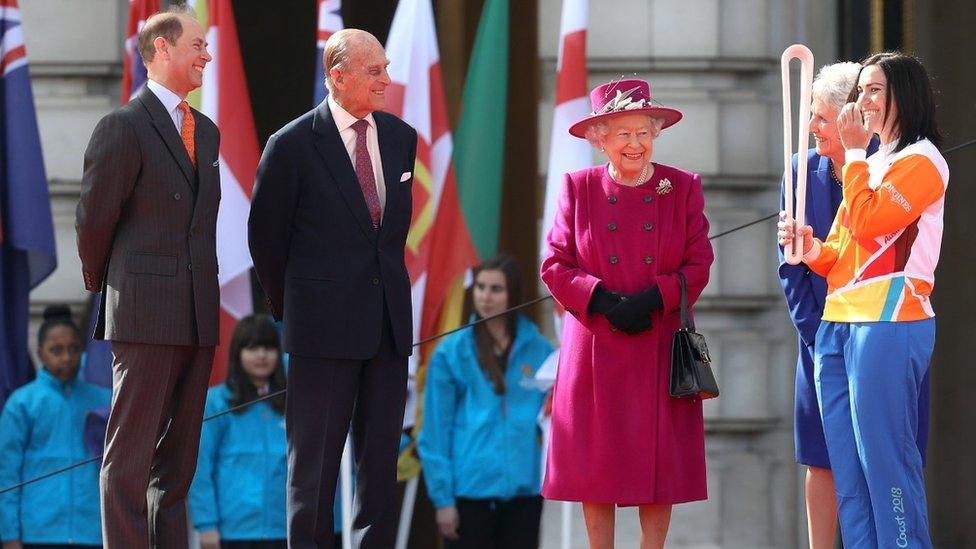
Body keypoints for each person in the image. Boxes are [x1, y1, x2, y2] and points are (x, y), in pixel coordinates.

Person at [247, 28, 417, 548]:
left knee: (379, 470)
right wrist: (297, 308)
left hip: (387, 329)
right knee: (314, 472)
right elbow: (265, 240)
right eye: (375, 71)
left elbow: (387, 238)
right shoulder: (292, 144)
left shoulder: (400, 137)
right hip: (321, 332)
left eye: (386, 68)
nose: (387, 80)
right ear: (337, 77)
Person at [778, 52, 946, 549]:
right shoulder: (869, 163)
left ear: (905, 96)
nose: (863, 101)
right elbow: (845, 252)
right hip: (840, 324)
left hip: (890, 320)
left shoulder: (923, 161)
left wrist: (852, 156)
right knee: (848, 474)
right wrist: (810, 249)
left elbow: (873, 222)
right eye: (862, 90)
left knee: (885, 462)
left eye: (874, 90)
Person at [541, 78, 714, 548]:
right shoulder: (579, 188)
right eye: (622, 133)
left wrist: (654, 298)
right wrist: (598, 298)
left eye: (643, 132)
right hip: (596, 342)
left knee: (659, 464)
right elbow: (554, 263)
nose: (634, 144)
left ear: (656, 133)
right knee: (597, 462)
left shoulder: (681, 187)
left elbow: (700, 262)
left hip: (659, 342)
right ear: (601, 139)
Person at [74, 7, 220, 547]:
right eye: (197, 45)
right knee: (130, 460)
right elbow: (93, 221)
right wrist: (114, 290)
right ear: (163, 49)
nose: (207, 54)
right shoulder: (122, 126)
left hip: (197, 316)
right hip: (143, 314)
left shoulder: (205, 132)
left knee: (178, 468)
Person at [418, 254, 554, 548]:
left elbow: (554, 419)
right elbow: (434, 434)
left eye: (496, 289)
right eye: (480, 287)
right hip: (468, 496)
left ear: (513, 294)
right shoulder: (450, 353)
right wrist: (443, 500)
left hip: (525, 494)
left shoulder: (541, 351)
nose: (485, 297)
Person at [0, 305, 111, 548]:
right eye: (56, 350)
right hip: (38, 534)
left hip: (92, 532)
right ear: (40, 353)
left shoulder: (104, 400)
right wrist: (9, 536)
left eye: (73, 349)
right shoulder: (22, 403)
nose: (66, 357)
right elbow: (7, 475)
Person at [190, 315, 289, 549]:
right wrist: (206, 525)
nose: (262, 355)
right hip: (232, 533)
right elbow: (200, 467)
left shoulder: (293, 403)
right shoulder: (216, 402)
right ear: (237, 353)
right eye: (253, 348)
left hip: (285, 529)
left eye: (269, 347)